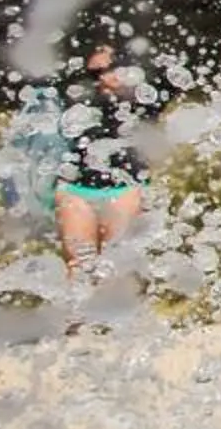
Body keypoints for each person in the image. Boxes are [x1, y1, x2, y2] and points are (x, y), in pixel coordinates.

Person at [51, 46, 149, 280]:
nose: (103, 79)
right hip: (76, 189)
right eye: (95, 74)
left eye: (110, 70)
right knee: (78, 266)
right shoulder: (78, 102)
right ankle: (77, 315)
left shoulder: (146, 101)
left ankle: (120, 313)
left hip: (125, 188)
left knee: (118, 265)